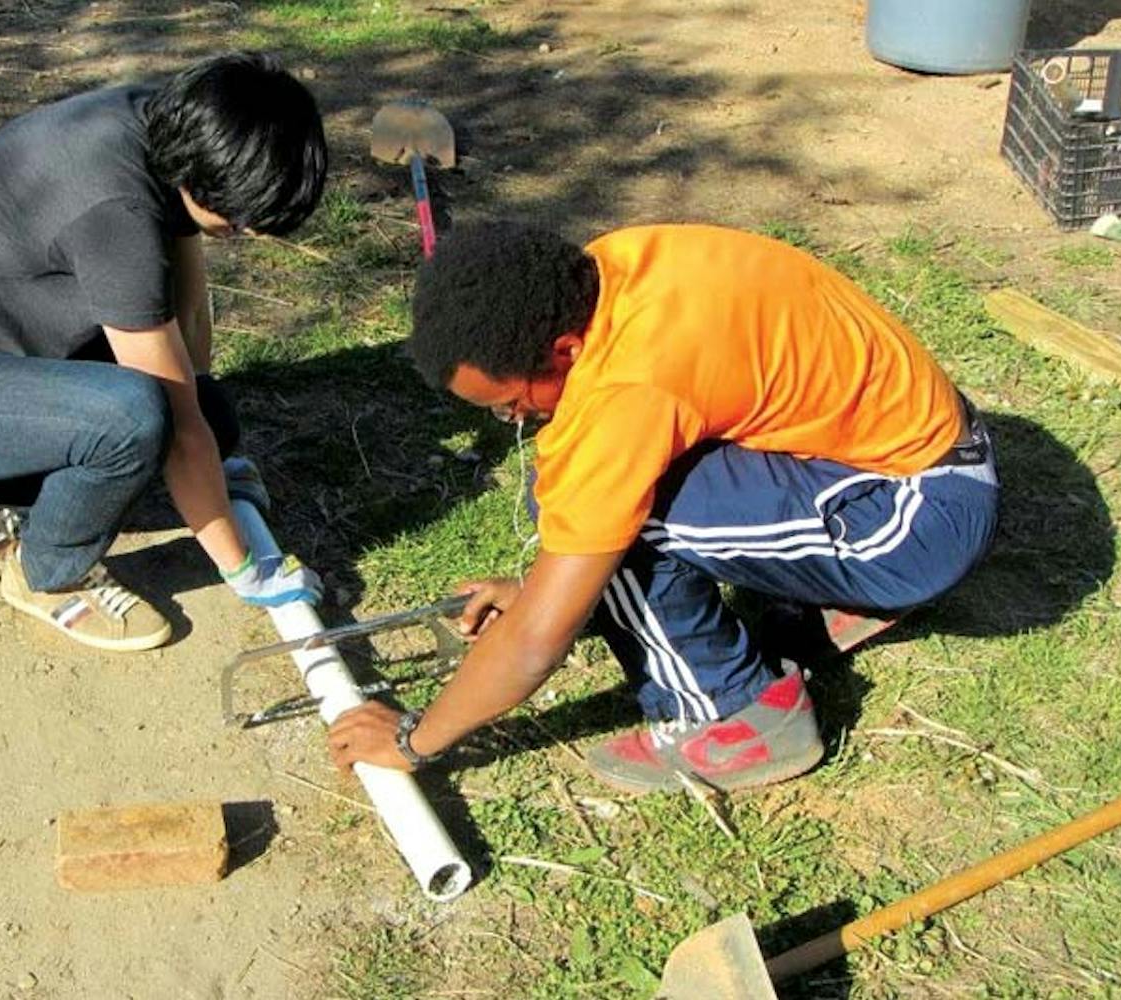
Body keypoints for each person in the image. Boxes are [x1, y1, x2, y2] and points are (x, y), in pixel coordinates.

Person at [327, 221, 999, 793]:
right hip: (899, 456)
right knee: (586, 496)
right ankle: (819, 599)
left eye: (508, 401)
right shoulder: (611, 269)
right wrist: (546, 588)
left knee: (622, 514)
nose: (511, 419)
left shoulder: (628, 389)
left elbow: (536, 644)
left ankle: (739, 716)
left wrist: (415, 740)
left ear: (564, 350)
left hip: (917, 517)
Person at [0, 52, 328, 652]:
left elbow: (186, 302)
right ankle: (47, 574)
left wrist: (206, 424)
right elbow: (174, 424)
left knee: (209, 418)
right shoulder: (115, 211)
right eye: (237, 224)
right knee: (134, 421)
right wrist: (247, 568)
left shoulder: (168, 122)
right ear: (200, 178)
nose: (243, 236)